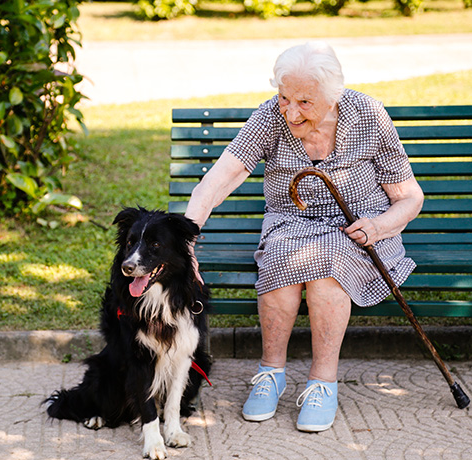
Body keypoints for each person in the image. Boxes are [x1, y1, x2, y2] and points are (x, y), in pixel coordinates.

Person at [184, 42, 424, 433]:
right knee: (281, 255)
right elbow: (215, 183)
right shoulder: (270, 117)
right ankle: (271, 372)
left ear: (332, 98)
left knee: (328, 261)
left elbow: (410, 198)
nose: (291, 112)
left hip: (358, 229)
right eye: (284, 97)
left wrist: (378, 226)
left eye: (305, 103)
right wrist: (186, 241)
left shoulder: (367, 114)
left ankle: (322, 383)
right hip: (290, 224)